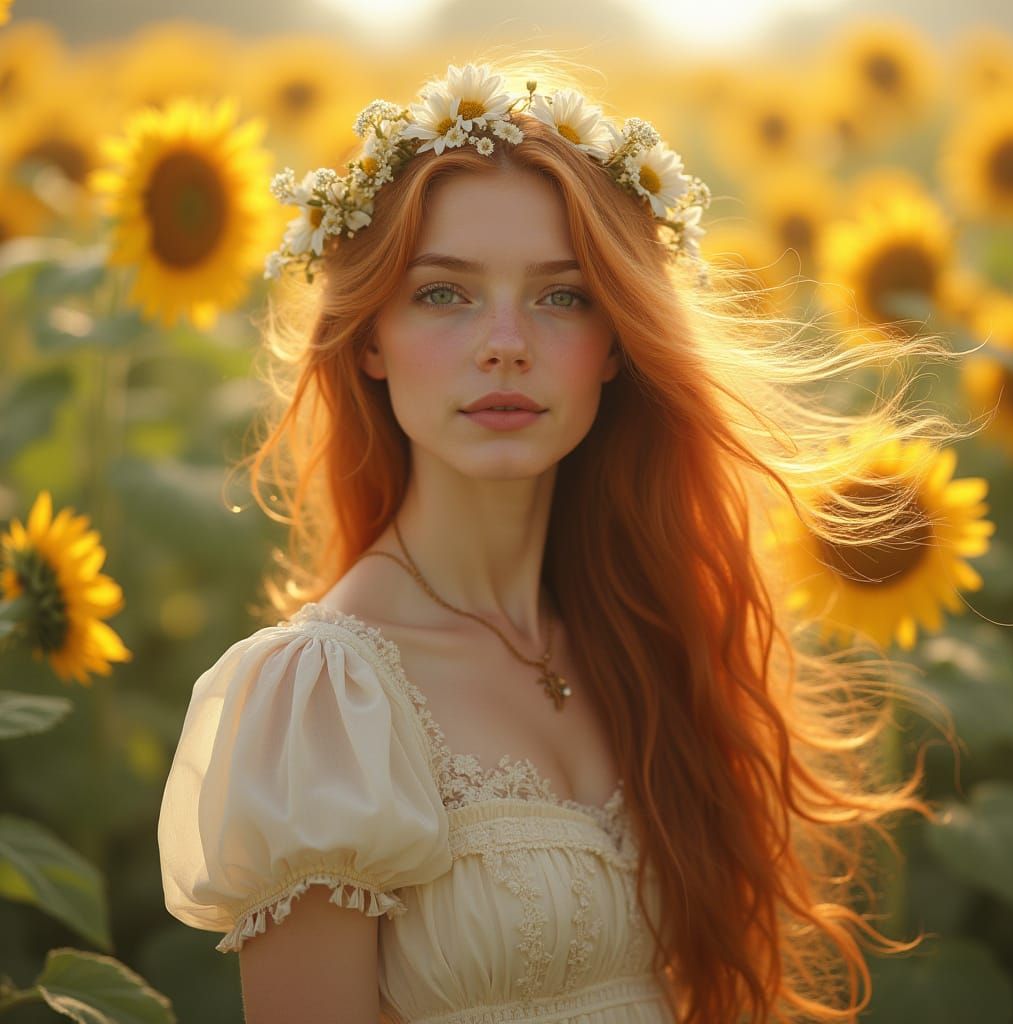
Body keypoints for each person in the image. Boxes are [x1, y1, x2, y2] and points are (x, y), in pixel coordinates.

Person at [157, 55, 957, 1024]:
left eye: (562, 295)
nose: (505, 341)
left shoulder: (650, 639)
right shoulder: (323, 696)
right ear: (368, 336)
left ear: (616, 340)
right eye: (444, 293)